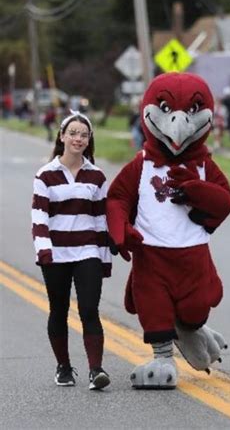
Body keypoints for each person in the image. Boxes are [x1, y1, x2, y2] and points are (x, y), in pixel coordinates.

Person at [31, 111, 112, 390]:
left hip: (87, 251)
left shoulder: (97, 177)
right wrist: (44, 251)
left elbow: (102, 221)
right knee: (59, 309)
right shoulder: (45, 175)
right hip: (56, 254)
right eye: (73, 133)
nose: (78, 138)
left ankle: (96, 370)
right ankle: (64, 367)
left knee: (90, 309)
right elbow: (39, 218)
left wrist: (104, 257)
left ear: (89, 141)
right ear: (62, 136)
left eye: (84, 135)